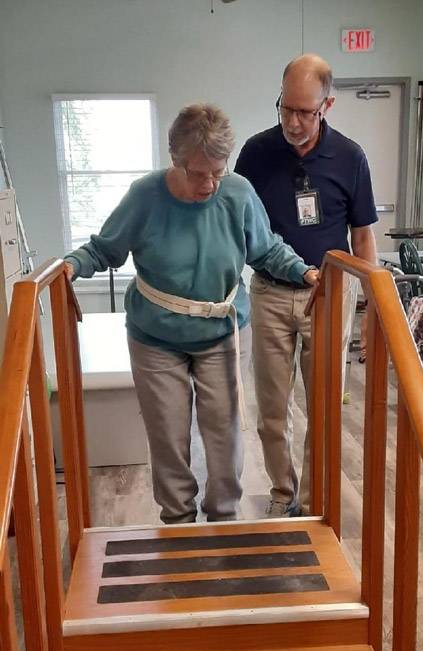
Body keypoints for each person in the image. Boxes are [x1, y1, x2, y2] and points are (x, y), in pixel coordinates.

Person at [63, 103, 317, 525]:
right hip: (156, 337)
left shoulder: (237, 192)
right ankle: (178, 521)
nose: (210, 183)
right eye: (198, 173)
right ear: (176, 161)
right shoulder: (145, 196)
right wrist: (72, 265)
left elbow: (267, 248)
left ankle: (221, 519)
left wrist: (303, 270)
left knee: (224, 437)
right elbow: (104, 248)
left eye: (217, 172)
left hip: (222, 332)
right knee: (168, 435)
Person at [235, 54, 378, 517]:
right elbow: (239, 225)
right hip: (271, 291)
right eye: (285, 108)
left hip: (329, 295)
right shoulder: (255, 154)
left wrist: (373, 303)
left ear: (327, 105)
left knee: (323, 407)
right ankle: (283, 496)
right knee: (273, 409)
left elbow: (362, 235)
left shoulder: (350, 157)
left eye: (305, 111)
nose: (293, 122)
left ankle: (318, 503)